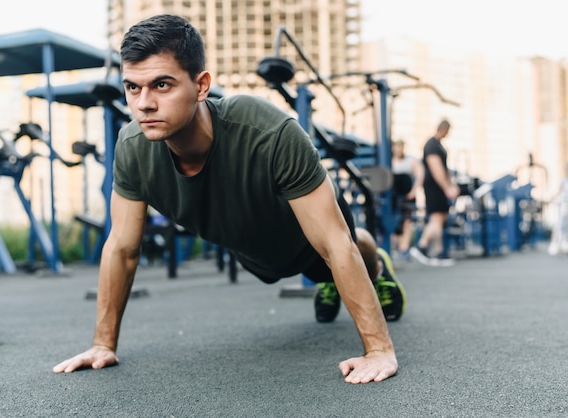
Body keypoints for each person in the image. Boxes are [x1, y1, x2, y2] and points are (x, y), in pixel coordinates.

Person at [52, 14, 405, 384]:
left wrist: (378, 350)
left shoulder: (270, 133)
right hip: (257, 253)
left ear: (202, 85)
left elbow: (334, 242)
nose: (144, 104)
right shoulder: (131, 149)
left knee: (347, 250)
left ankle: (375, 267)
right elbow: (122, 248)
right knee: (293, 267)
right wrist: (102, 344)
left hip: (312, 237)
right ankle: (334, 280)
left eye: (161, 85)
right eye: (133, 87)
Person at [410, 120, 459, 266]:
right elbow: (436, 169)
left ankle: (431, 249)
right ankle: (428, 248)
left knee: (439, 218)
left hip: (438, 186)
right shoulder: (431, 145)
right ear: (444, 129)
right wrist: (447, 188)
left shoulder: (437, 145)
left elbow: (444, 170)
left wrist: (451, 184)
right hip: (434, 186)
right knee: (437, 218)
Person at [391, 140, 424, 260]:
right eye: (396, 147)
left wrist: (413, 191)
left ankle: (404, 249)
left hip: (407, 196)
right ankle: (398, 248)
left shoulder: (410, 161)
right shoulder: (389, 161)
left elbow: (420, 175)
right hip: (393, 197)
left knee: (407, 221)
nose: (398, 149)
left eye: (400, 147)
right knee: (395, 223)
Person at [548, 162, 568, 255]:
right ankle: (555, 243)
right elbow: (559, 191)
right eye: (567, 169)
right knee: (558, 223)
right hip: (563, 204)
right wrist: (553, 198)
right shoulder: (563, 181)